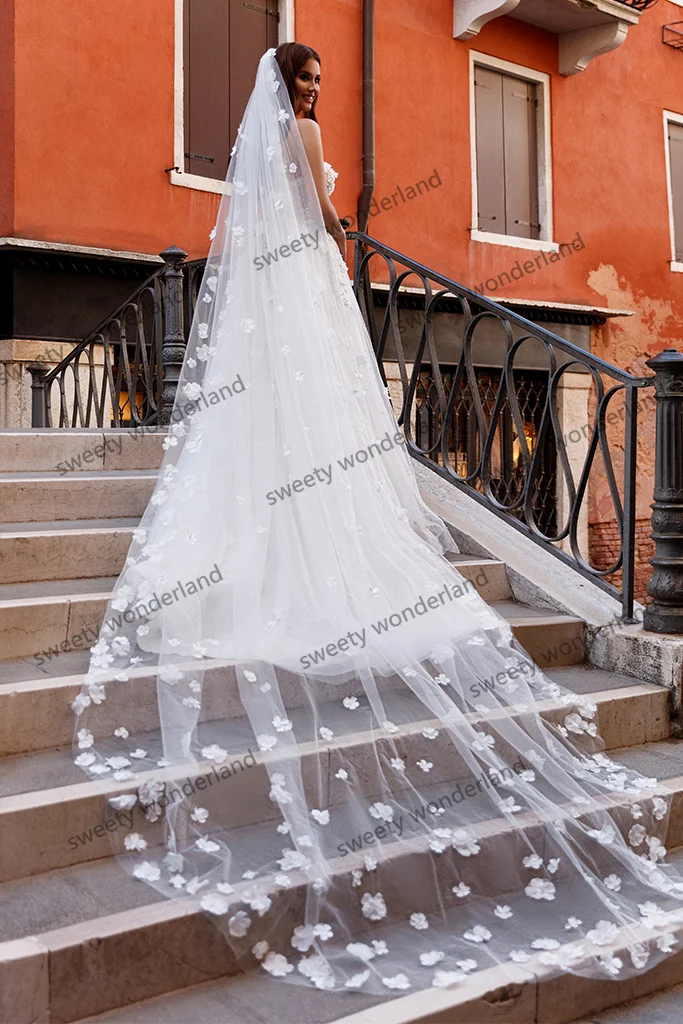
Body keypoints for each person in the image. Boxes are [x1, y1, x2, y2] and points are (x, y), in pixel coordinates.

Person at [73, 43, 683, 996]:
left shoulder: (263, 142)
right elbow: (321, 216)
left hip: (279, 293)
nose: (314, 93)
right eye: (306, 80)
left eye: (316, 82)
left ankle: (273, 543)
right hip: (309, 279)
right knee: (323, 414)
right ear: (293, 89)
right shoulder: (305, 133)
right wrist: (336, 211)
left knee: (281, 417)